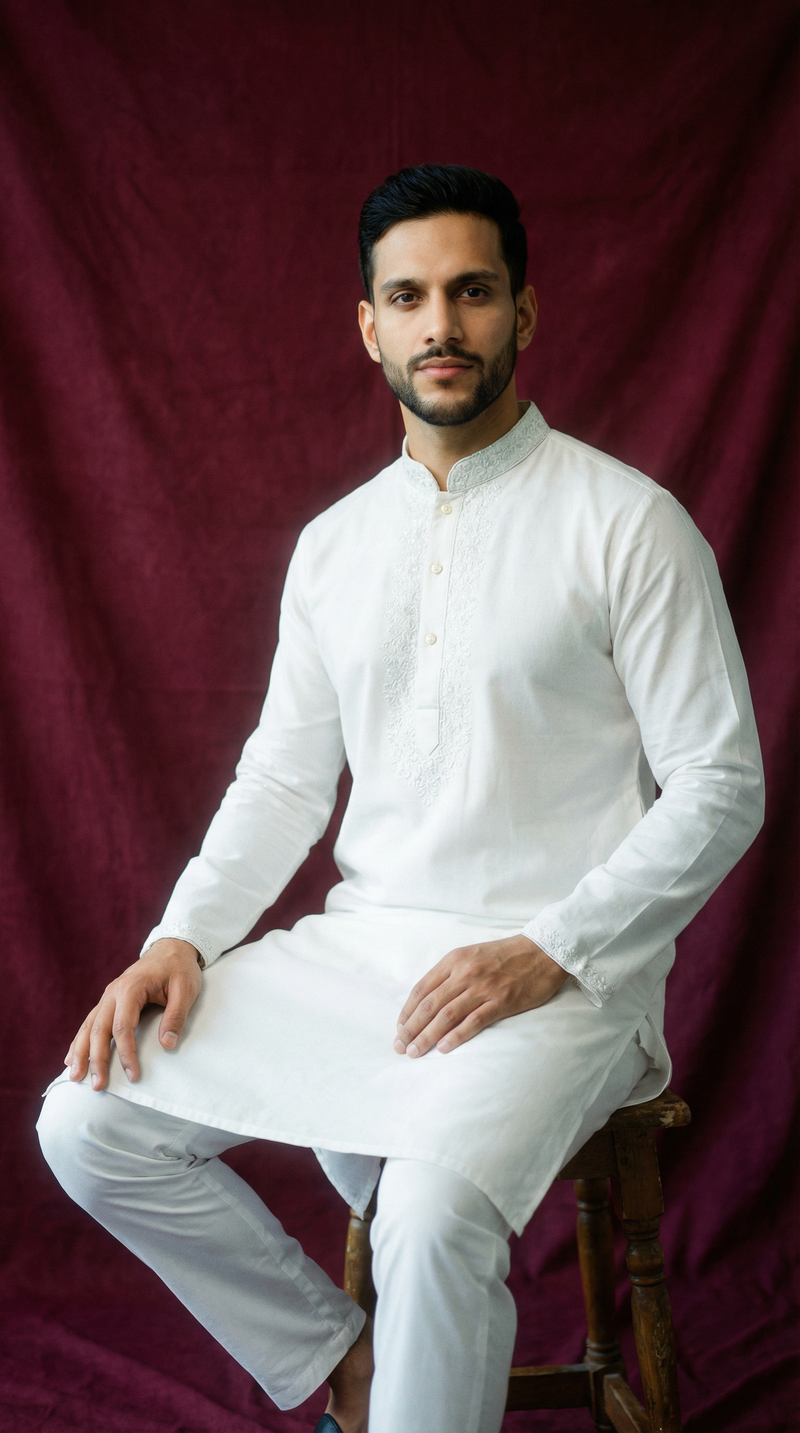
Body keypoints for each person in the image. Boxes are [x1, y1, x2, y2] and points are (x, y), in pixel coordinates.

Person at [37, 164, 764, 1433]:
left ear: (522, 316)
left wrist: (550, 948)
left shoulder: (625, 524)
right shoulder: (333, 545)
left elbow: (719, 784)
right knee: (87, 1119)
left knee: (429, 1208)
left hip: (568, 970)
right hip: (368, 951)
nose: (442, 325)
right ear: (367, 324)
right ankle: (347, 1371)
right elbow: (280, 774)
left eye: (472, 292)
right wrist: (180, 937)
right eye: (410, 296)